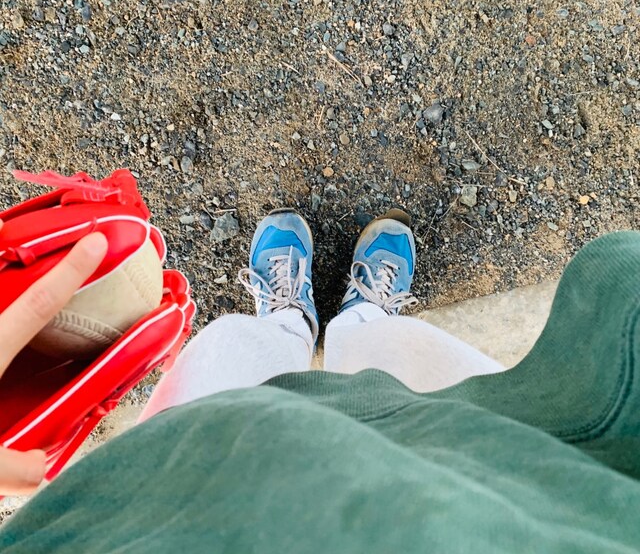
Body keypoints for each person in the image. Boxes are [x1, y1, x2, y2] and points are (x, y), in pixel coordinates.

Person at [1, 210, 639, 552]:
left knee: (228, 375)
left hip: (171, 514)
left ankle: (287, 323)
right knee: (408, 371)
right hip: (519, 491)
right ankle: (360, 321)